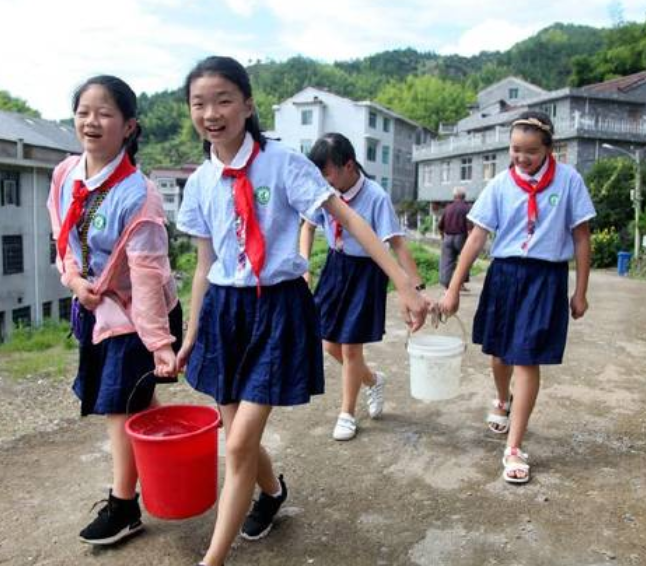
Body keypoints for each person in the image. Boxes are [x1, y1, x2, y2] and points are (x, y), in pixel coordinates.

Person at [175, 56, 428, 566]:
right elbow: (206, 265)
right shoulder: (200, 181)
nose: (212, 113)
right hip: (226, 310)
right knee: (237, 437)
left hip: (277, 307)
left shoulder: (283, 163)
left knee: (240, 440)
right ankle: (270, 494)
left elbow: (350, 218)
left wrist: (404, 282)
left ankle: (213, 559)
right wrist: (191, 330)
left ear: (247, 105)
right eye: (199, 103)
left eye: (224, 99)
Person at [46, 75, 182, 544]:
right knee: (136, 404)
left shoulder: (139, 194)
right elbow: (60, 233)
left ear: (129, 126)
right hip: (96, 311)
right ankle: (169, 463)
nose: (92, 121)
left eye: (105, 113)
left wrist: (159, 345)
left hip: (137, 318)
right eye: (84, 111)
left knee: (119, 411)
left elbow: (146, 278)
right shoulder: (65, 174)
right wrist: (71, 278)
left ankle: (124, 506)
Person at [438, 110, 595, 484]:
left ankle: (513, 447)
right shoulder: (500, 185)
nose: (521, 159)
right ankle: (502, 399)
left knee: (526, 358)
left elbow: (582, 235)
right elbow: (476, 237)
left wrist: (581, 291)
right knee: (500, 355)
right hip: (505, 276)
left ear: (548, 149)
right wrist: (453, 288)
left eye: (530, 152)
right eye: (515, 150)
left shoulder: (569, 181)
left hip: (545, 278)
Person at [299, 133, 424, 441]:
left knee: (352, 346)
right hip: (335, 267)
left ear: (348, 166)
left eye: (327, 172)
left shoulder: (375, 196)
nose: (323, 180)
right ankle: (372, 380)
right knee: (329, 344)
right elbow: (308, 226)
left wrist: (416, 287)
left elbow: (396, 242)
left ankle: (346, 413)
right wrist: (304, 266)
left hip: (366, 273)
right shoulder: (325, 192)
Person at [438, 186, 472, 291]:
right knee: (464, 260)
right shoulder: (467, 208)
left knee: (447, 262)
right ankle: (460, 284)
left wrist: (443, 237)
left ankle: (446, 287)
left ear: (454, 196)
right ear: (464, 196)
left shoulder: (448, 208)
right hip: (461, 237)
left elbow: (440, 226)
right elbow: (470, 227)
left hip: (447, 237)